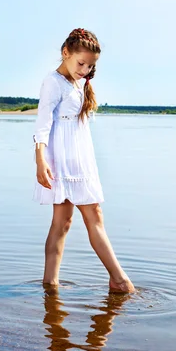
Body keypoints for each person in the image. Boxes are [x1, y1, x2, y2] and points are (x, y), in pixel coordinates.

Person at [33, 28, 135, 293]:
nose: (85, 69)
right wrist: (40, 159)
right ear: (65, 53)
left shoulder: (76, 83)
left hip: (79, 158)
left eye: (90, 66)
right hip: (62, 160)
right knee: (86, 216)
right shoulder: (53, 82)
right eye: (81, 63)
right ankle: (119, 280)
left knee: (64, 222)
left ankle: (50, 286)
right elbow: (43, 122)